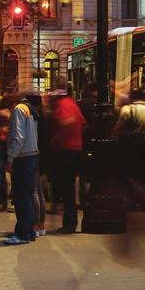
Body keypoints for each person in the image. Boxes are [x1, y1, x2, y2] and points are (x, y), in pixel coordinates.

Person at [5, 92, 41, 245]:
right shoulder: (31, 109)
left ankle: (22, 233)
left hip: (22, 157)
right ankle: (30, 231)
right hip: (32, 155)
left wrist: (11, 157)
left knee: (21, 198)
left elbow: (18, 137)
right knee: (29, 196)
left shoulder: (19, 109)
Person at [51, 87, 88, 233]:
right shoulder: (72, 103)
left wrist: (55, 140)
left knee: (66, 188)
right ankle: (70, 221)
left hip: (66, 150)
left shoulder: (62, 105)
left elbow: (69, 121)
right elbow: (82, 123)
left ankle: (69, 223)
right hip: (76, 149)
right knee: (69, 187)